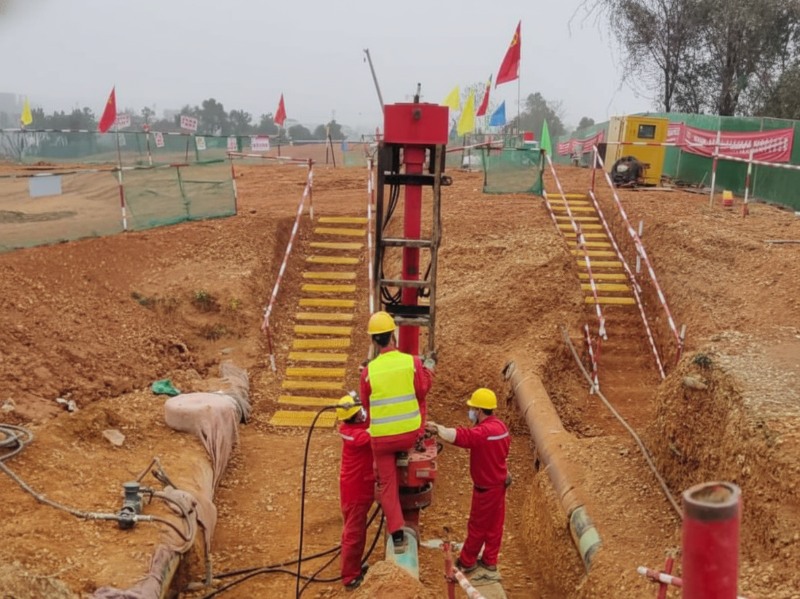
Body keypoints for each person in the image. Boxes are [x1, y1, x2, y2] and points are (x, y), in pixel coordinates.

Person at [360, 311, 435, 554]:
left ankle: (398, 535)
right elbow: (422, 390)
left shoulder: (368, 372)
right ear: (393, 335)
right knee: (420, 400)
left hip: (381, 441)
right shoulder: (411, 362)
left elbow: (366, 406)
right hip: (409, 435)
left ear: (374, 341)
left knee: (387, 484)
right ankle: (416, 438)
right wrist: (430, 368)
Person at [427, 387, 511, 573]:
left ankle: (467, 561)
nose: (471, 412)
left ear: (480, 411)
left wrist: (438, 429)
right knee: (495, 526)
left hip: (486, 488)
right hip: (499, 484)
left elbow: (462, 436)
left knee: (477, 526)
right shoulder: (501, 428)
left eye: (473, 408)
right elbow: (503, 453)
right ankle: (490, 561)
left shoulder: (483, 433)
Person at [336, 395, 374, 590]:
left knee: (357, 529)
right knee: (354, 532)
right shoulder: (354, 435)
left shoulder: (354, 427)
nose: (363, 414)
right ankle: (350, 576)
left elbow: (369, 423)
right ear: (354, 416)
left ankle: (355, 566)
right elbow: (374, 433)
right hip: (356, 490)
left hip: (360, 487)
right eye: (359, 412)